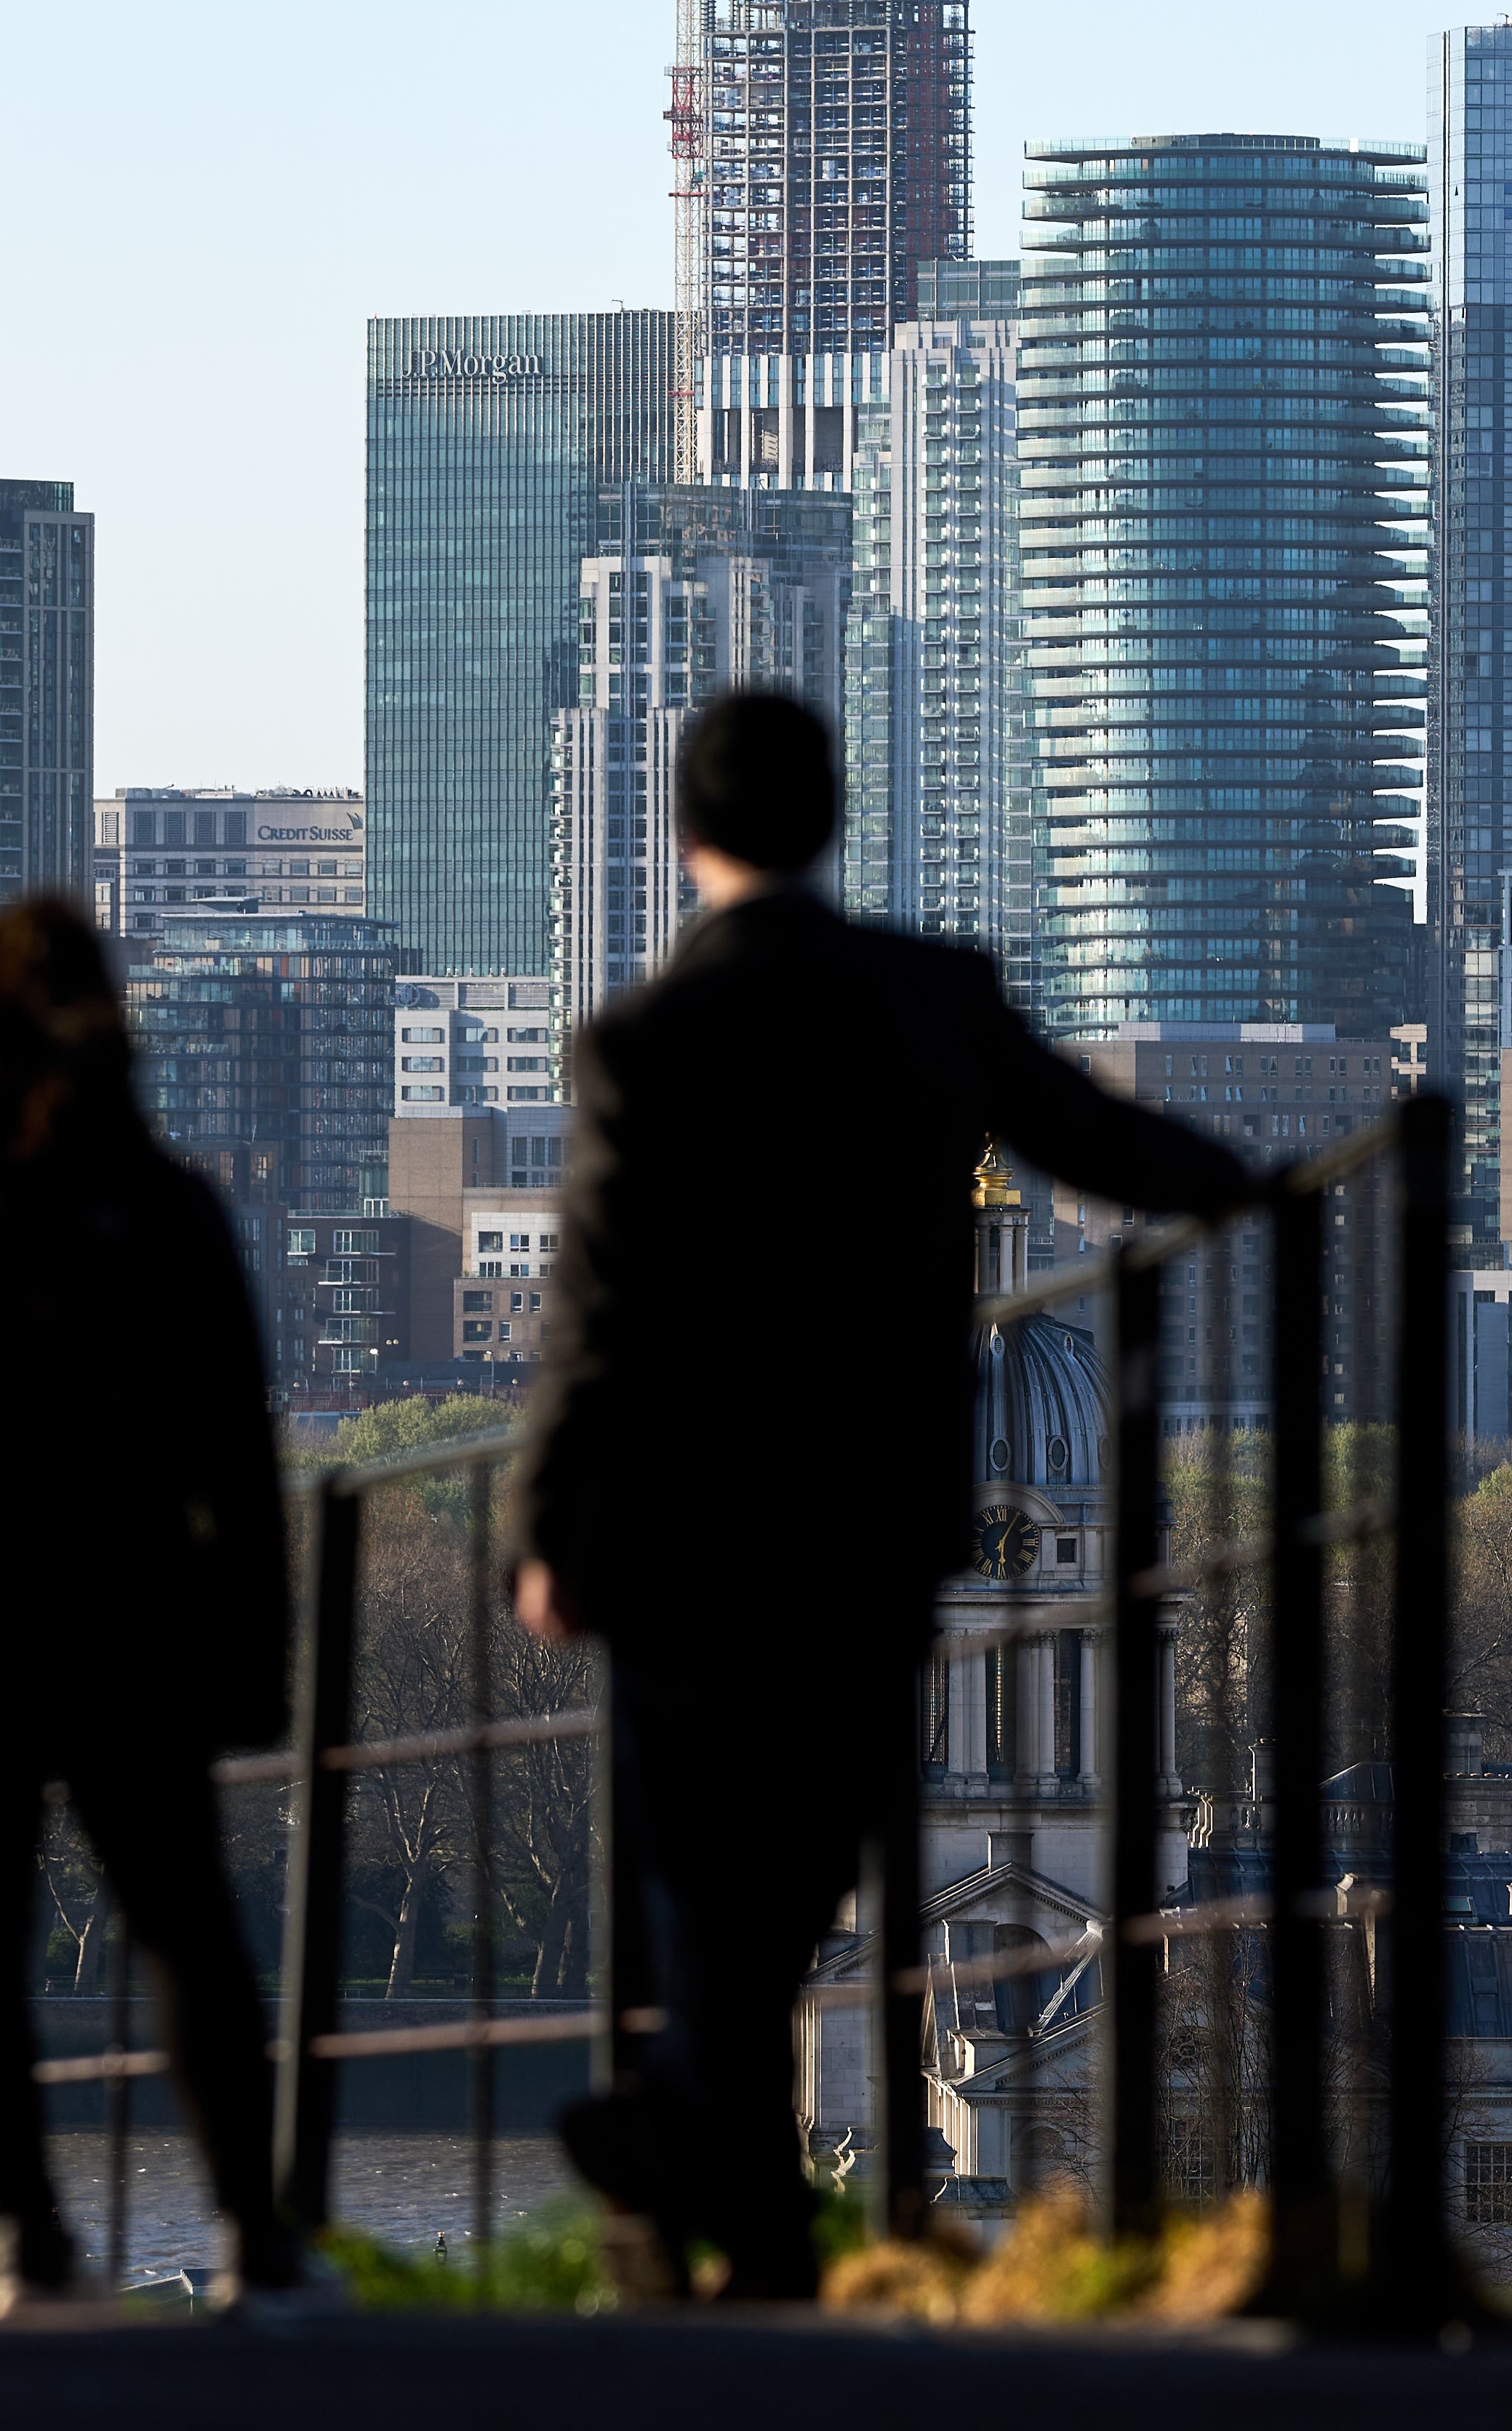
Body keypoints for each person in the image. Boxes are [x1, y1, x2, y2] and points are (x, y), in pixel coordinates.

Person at [511, 691, 1258, 2297]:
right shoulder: (928, 998)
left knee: (704, 1870)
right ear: (829, 818)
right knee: (791, 1875)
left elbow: (593, 1313)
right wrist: (1252, 1183)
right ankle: (745, 2206)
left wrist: (547, 1533)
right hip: (868, 1526)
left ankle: (690, 2152)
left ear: (684, 835)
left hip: (687, 1534)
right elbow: (1099, 1136)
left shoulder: (643, 1035)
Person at [0, 892, 314, 2309]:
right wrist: (258, 1654)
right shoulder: (165, 1210)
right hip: (121, 1600)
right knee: (184, 1922)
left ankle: (26, 2237)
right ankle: (250, 2231)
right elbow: (237, 1455)